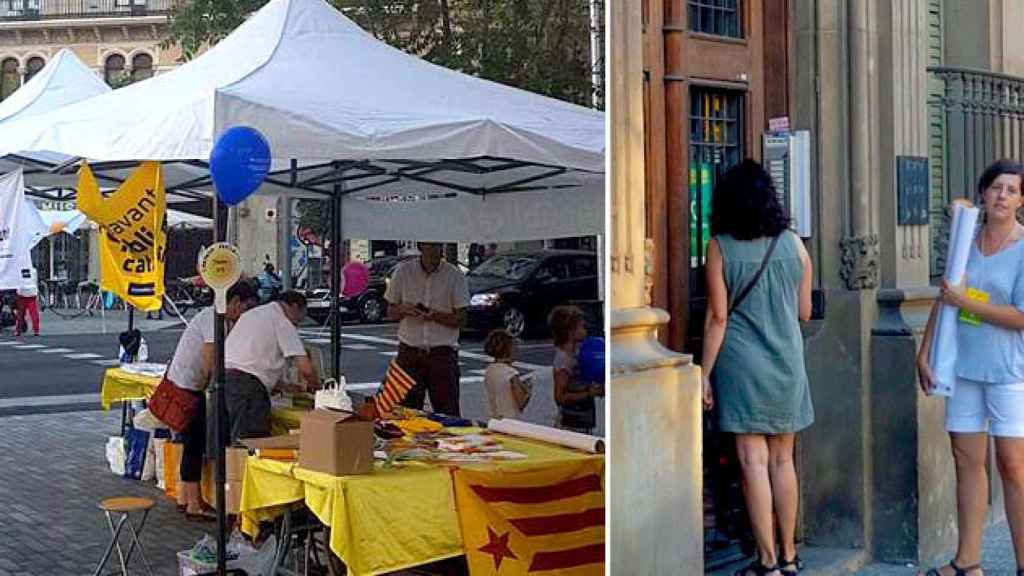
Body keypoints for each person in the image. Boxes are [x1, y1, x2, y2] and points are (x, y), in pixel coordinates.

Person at [701, 159, 813, 576]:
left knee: (753, 462)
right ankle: (789, 555)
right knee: (784, 462)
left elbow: (718, 317)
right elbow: (804, 313)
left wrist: (704, 374)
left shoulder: (720, 246)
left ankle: (766, 562)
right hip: (787, 361)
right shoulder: (794, 244)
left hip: (742, 364)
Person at [917, 159, 1024, 576]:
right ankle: (968, 562)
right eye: (996, 186)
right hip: (962, 367)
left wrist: (967, 303)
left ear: (1020, 200)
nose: (1002, 195)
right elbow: (945, 296)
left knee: (1012, 465)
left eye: (1012, 190)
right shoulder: (966, 240)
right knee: (966, 461)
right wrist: (925, 350)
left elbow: (1020, 315)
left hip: (1009, 371)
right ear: (983, 192)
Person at [165, 281, 257, 520]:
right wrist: (216, 386)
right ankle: (194, 505)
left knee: (191, 444)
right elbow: (209, 359)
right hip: (188, 385)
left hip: (188, 382)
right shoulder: (213, 318)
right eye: (246, 308)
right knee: (195, 444)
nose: (245, 315)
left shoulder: (222, 321)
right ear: (235, 302)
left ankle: (185, 498)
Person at [221, 290, 321, 443]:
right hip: (248, 391)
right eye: (299, 319)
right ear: (294, 307)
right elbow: (305, 368)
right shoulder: (282, 321)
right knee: (250, 444)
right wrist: (318, 389)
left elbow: (249, 361)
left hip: (223, 382)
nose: (297, 325)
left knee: (225, 444)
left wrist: (285, 386)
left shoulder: (252, 314)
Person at [385, 242, 469, 416]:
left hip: (442, 353)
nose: (435, 252)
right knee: (405, 413)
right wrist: (404, 309)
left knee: (448, 412)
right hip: (409, 353)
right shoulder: (403, 272)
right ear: (421, 247)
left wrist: (434, 315)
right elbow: (390, 311)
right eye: (431, 247)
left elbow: (461, 319)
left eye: (438, 247)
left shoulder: (454, 275)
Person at [548, 305, 602, 434]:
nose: (585, 330)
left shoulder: (578, 352)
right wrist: (589, 393)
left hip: (583, 419)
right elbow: (560, 397)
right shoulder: (564, 360)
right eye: (581, 326)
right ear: (570, 331)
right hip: (570, 423)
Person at [483, 329, 532, 419]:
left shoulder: (489, 370)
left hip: (494, 418)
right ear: (509, 350)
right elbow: (520, 403)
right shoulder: (511, 373)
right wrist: (528, 391)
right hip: (511, 420)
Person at [14, 267, 39, 337]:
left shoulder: (18, 269)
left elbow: (16, 281)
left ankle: (18, 330)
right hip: (31, 292)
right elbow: (35, 281)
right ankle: (36, 330)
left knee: (20, 314)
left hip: (22, 293)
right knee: (34, 313)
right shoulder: (34, 270)